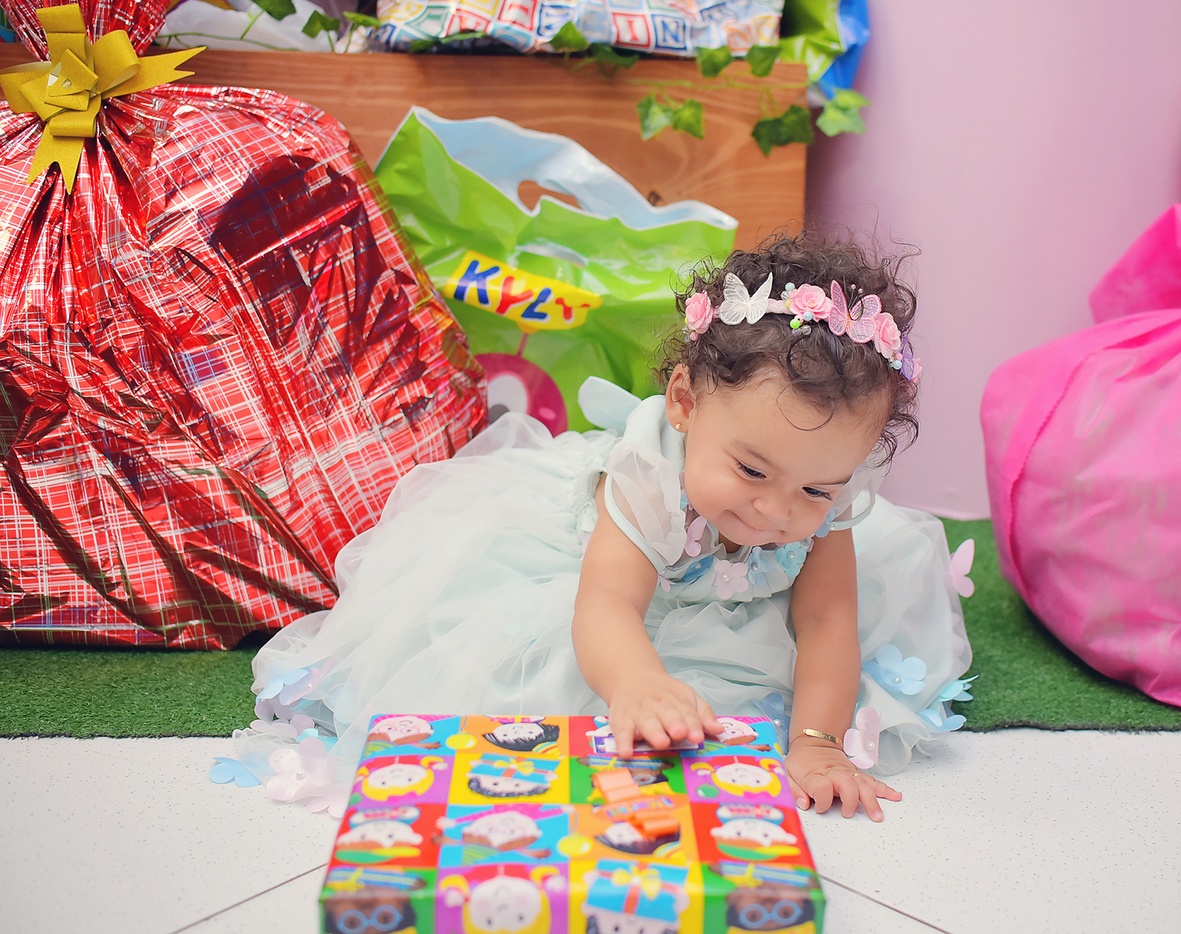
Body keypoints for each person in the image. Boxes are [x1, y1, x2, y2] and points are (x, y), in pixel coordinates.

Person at [232, 233, 974, 822]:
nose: (778, 511)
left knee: (824, 646)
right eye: (751, 471)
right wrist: (637, 682)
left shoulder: (824, 500)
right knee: (557, 679)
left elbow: (827, 621)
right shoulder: (649, 476)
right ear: (684, 403)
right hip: (602, 580)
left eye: (816, 488)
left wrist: (817, 744)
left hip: (723, 602)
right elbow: (608, 603)